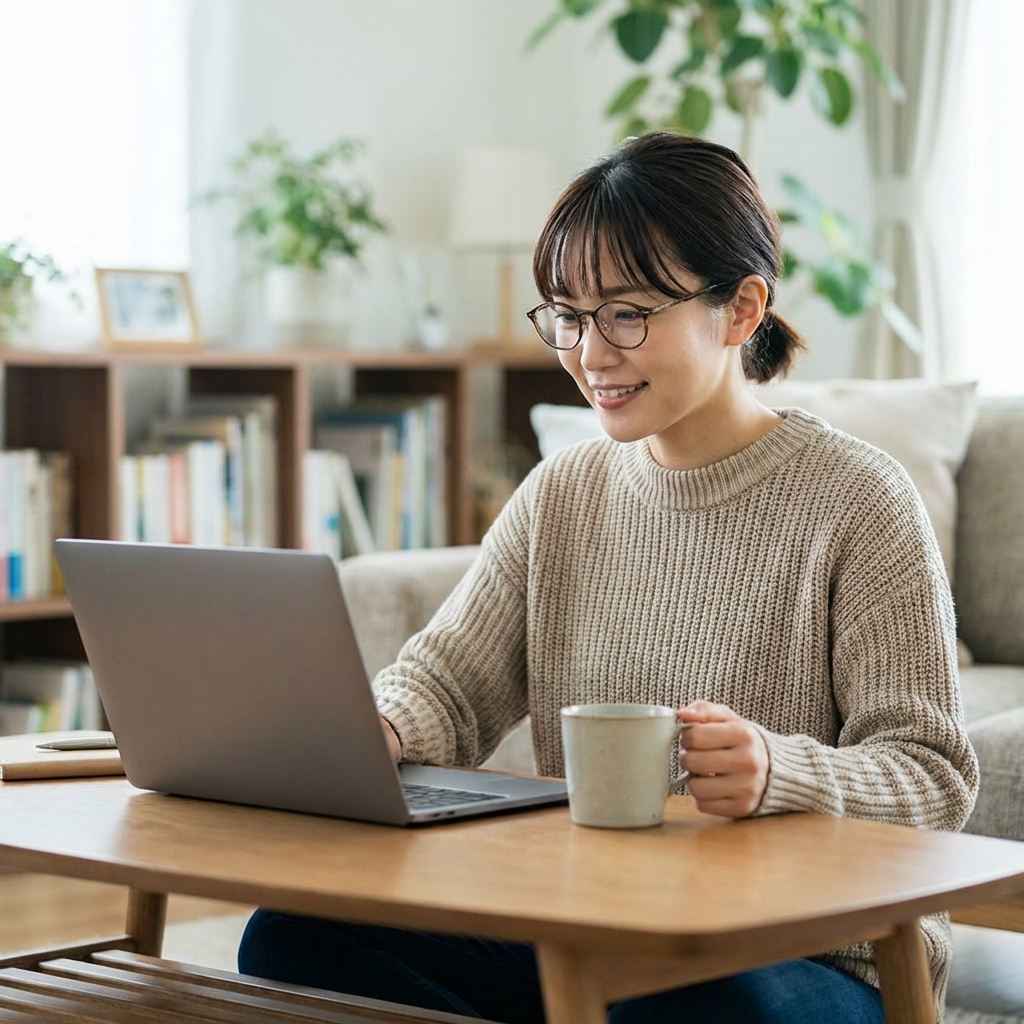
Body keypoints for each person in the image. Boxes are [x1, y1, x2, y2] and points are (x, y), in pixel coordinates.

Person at [237, 132, 978, 1024]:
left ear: (742, 309)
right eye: (567, 316)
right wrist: (380, 728)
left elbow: (933, 775)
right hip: (595, 925)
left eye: (626, 313)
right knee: (294, 934)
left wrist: (781, 771)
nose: (589, 353)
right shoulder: (565, 492)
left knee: (679, 998)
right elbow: (447, 683)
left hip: (815, 954)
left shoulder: (859, 498)